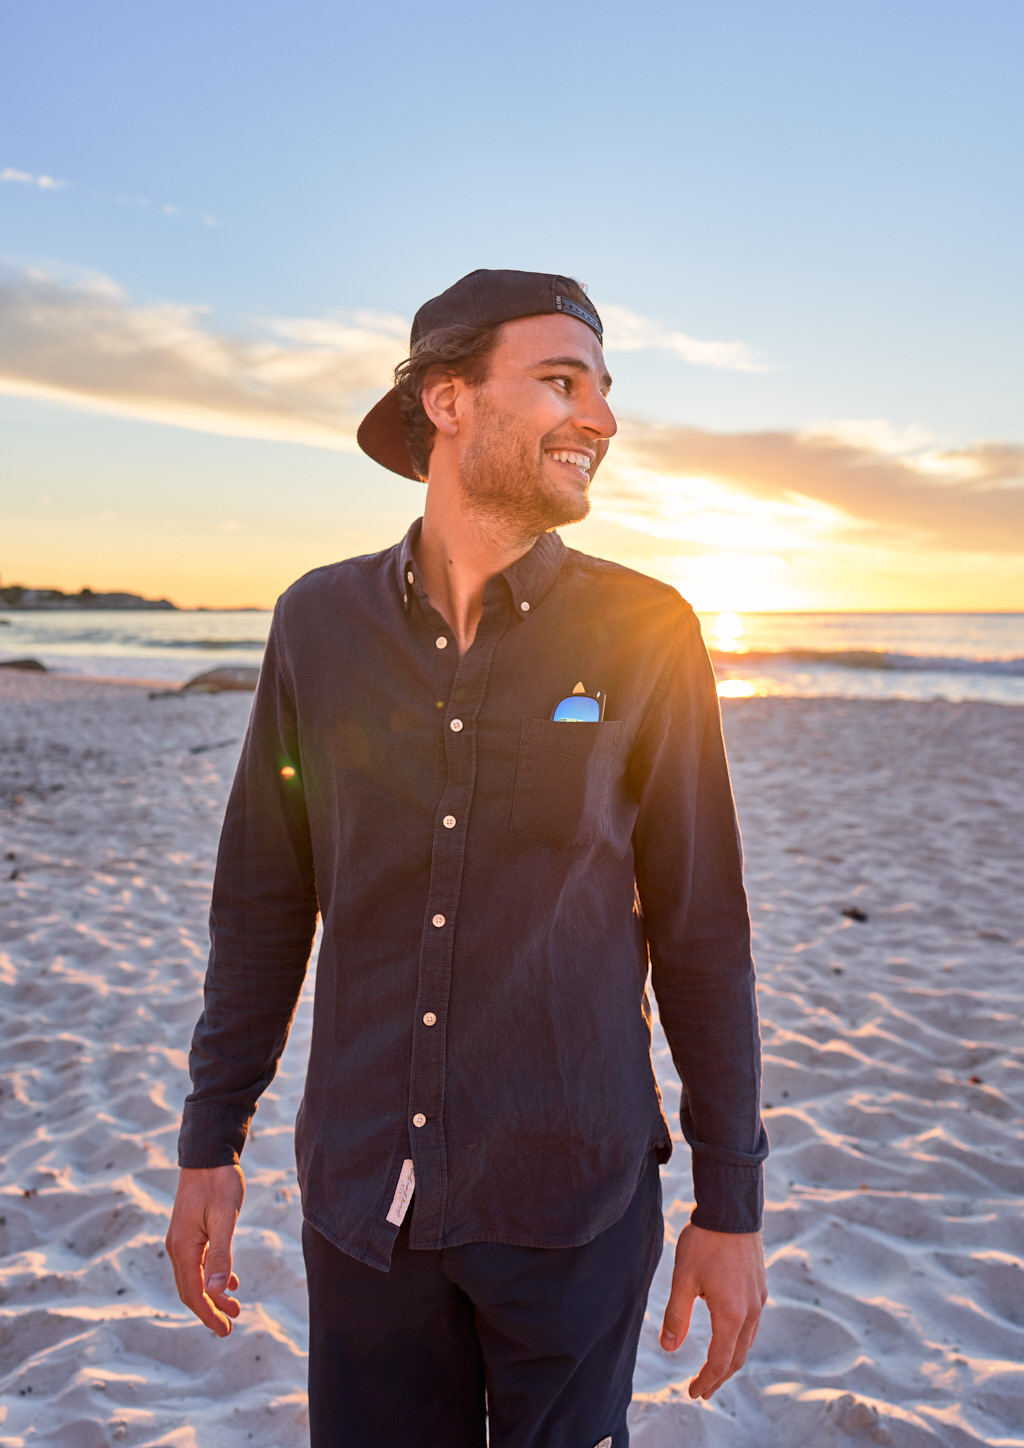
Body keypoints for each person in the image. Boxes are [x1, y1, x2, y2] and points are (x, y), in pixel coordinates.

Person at [167, 268, 769, 1448]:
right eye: (560, 379)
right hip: (361, 1205)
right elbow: (262, 900)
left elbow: (702, 931)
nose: (598, 415)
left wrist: (729, 1204)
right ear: (447, 401)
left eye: (602, 387)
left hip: (571, 1204)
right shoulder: (316, 622)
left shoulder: (648, 631)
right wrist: (211, 1138)